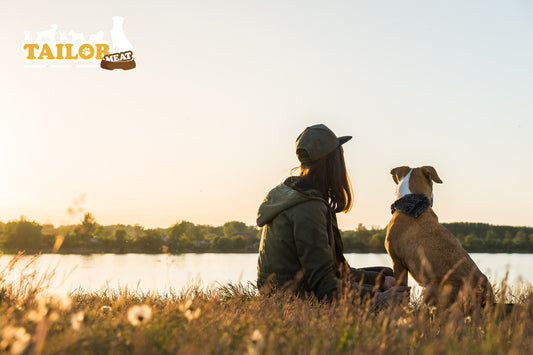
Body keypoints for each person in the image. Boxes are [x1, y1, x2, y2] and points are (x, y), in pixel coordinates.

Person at [256, 124, 410, 305]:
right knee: (390, 297)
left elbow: (336, 269)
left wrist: (381, 281)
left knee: (386, 275)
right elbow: (324, 286)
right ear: (333, 162)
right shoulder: (308, 207)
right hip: (295, 300)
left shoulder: (300, 194)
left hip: (294, 291)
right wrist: (377, 298)